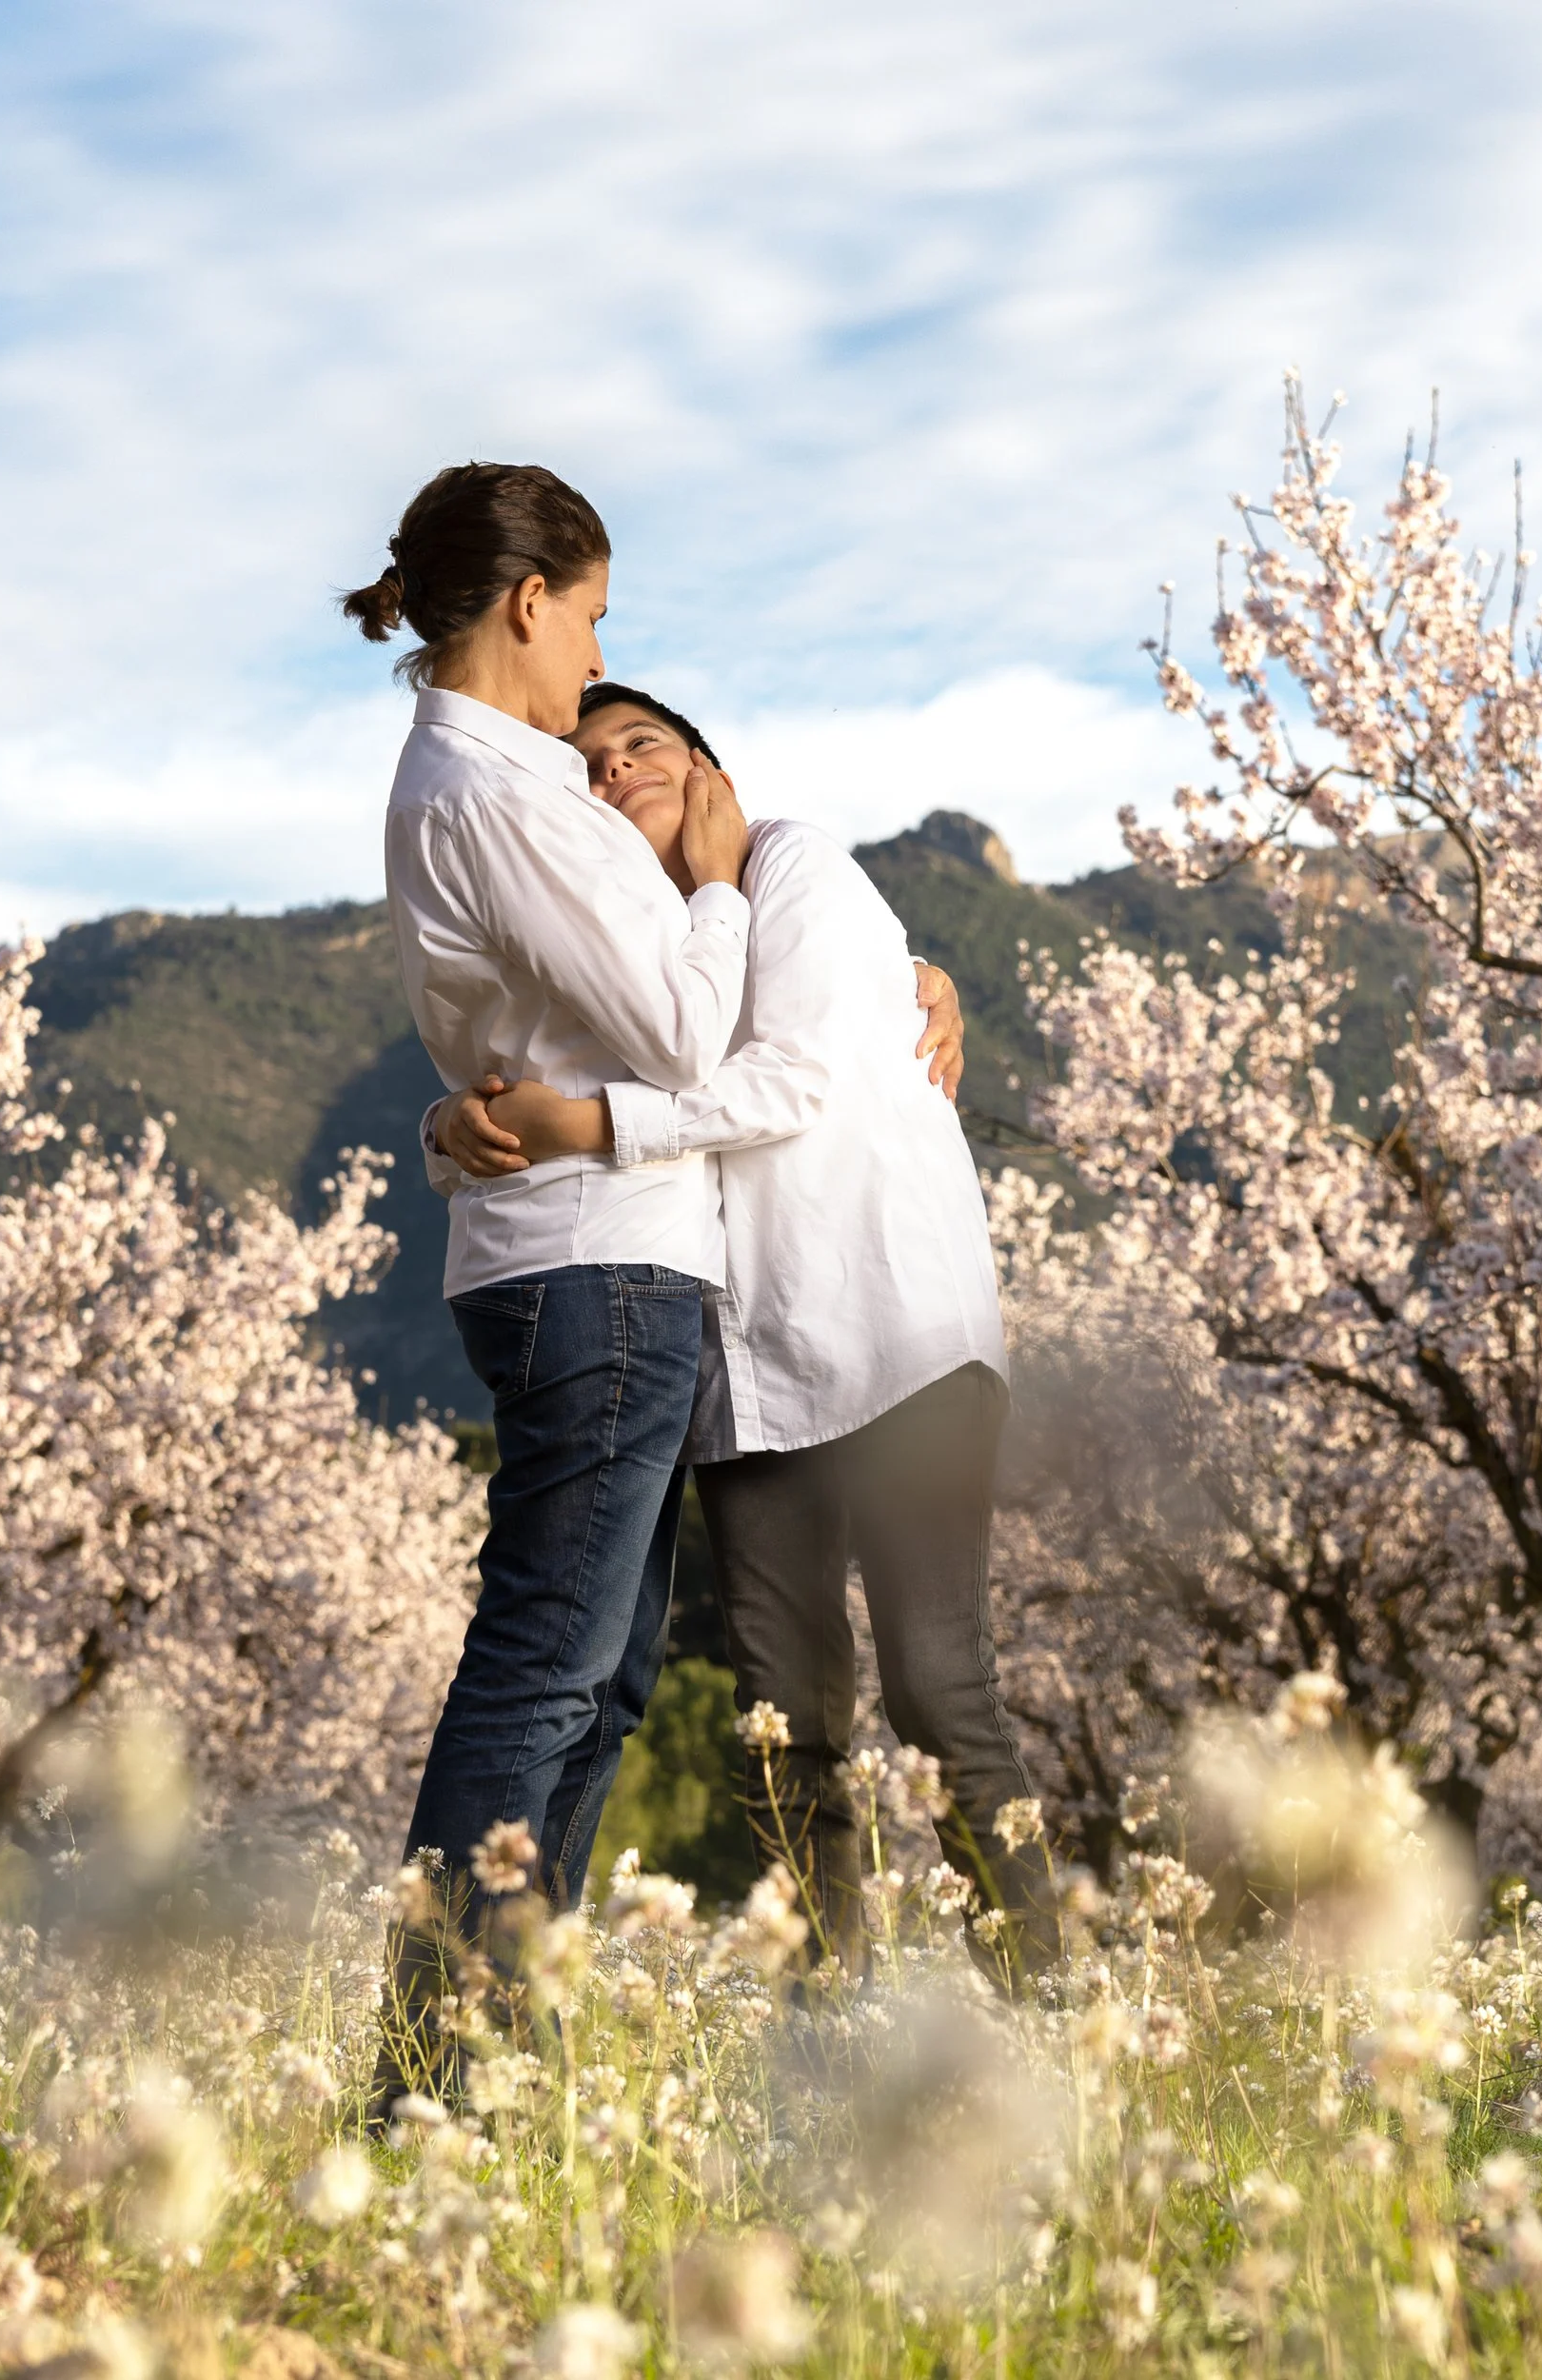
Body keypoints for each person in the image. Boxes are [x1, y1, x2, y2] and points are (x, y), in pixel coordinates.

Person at [431, 684, 1058, 1978]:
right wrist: (446, 1130)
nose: (614, 777)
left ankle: (1050, 2010)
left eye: (641, 747)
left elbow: (793, 1081)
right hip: (744, 1377)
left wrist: (592, 1125)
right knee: (782, 1727)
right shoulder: (638, 941)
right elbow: (509, 1072)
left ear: (711, 767)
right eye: (587, 770)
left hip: (895, 1336)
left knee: (939, 1694)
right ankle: (833, 2036)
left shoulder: (799, 868)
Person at [346, 466, 753, 2102]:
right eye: (591, 615)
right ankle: (437, 2075)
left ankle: (491, 2058)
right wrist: (718, 878)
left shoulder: (481, 781)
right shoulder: (504, 788)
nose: (599, 654)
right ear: (529, 600)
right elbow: (679, 1030)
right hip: (595, 1266)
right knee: (543, 1672)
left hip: (595, 1260)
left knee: (598, 1676)